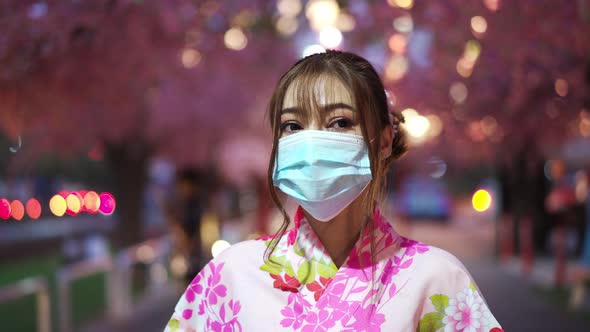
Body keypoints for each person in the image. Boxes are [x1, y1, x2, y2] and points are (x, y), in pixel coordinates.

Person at [164, 51, 503, 331]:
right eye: (292, 126)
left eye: (340, 122)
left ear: (383, 141)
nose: (311, 144)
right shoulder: (230, 275)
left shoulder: (436, 279)